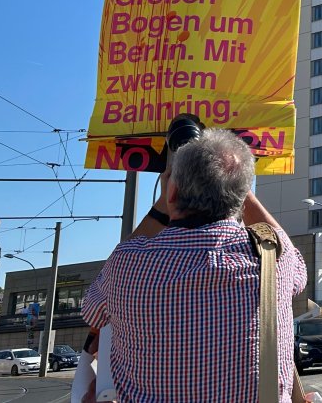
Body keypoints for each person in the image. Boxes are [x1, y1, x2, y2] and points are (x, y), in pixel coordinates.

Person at [81, 129, 308, 402]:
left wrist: (161, 205)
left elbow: (93, 313)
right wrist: (237, 184)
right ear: (240, 196)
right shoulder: (274, 258)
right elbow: (287, 251)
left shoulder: (126, 264)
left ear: (171, 192)